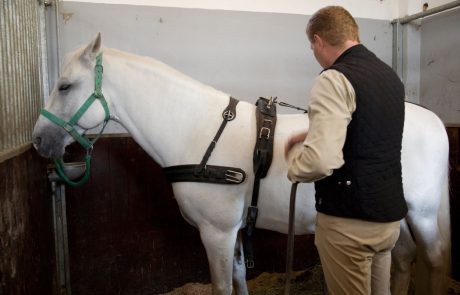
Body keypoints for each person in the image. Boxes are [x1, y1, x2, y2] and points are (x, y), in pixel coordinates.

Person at [285, 6, 407, 295]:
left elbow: (320, 161)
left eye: (311, 47)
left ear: (318, 41)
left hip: (349, 224)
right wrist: (312, 132)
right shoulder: (389, 77)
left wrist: (293, 166)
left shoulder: (333, 79)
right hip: (388, 221)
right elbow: (367, 128)